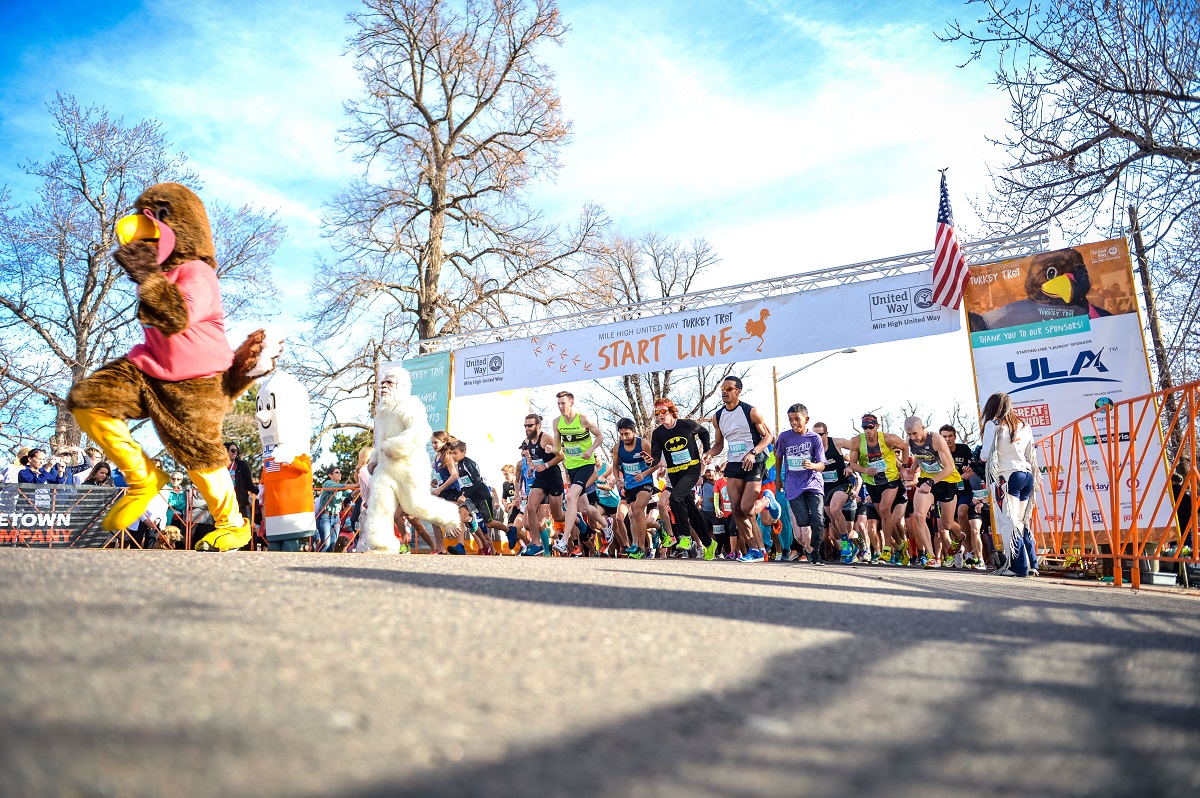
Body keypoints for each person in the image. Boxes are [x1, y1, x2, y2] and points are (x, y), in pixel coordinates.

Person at [706, 375, 774, 563]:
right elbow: (719, 444)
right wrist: (710, 453)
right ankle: (756, 551)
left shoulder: (751, 412)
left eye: (728, 389)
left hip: (754, 460)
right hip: (734, 463)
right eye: (722, 389)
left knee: (746, 507)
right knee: (736, 509)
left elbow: (768, 437)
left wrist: (753, 452)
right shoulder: (718, 417)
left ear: (738, 391)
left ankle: (767, 501)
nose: (724, 392)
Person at [649, 398, 717, 560]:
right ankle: (709, 543)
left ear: (671, 411)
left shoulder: (686, 424)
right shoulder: (658, 433)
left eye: (663, 411)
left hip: (691, 470)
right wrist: (650, 460)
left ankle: (685, 536)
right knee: (693, 513)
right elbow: (656, 456)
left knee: (675, 498)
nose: (660, 415)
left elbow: (704, 432)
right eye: (657, 412)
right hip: (674, 473)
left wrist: (707, 451)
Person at [980, 392, 1039, 577]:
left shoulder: (993, 424)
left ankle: (1017, 567)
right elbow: (1031, 454)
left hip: (1006, 477)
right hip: (1027, 475)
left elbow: (985, 455)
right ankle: (1031, 564)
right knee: (1022, 521)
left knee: (1008, 522)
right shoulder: (1024, 425)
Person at [847, 414, 909, 566]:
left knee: (884, 509)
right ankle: (901, 545)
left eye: (871, 427)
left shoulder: (888, 439)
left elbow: (905, 447)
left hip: (890, 479)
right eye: (865, 428)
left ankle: (887, 549)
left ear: (877, 426)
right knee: (884, 515)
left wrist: (905, 467)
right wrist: (865, 470)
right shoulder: (856, 441)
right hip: (872, 483)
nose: (868, 431)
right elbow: (853, 464)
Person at [902, 416, 964, 568]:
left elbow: (949, 468)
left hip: (946, 480)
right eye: (909, 435)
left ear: (923, 428)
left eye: (915, 434)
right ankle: (931, 557)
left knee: (947, 524)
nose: (913, 438)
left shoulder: (936, 439)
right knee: (918, 515)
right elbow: (919, 455)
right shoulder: (911, 441)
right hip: (926, 479)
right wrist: (911, 469)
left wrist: (931, 482)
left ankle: (959, 536)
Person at [550, 391, 604, 554]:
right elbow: (557, 448)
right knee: (586, 508)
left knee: (570, 497)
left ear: (571, 403)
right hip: (571, 467)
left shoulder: (583, 419)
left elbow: (600, 437)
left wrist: (591, 450)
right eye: (558, 403)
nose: (560, 406)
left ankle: (564, 541)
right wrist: (550, 449)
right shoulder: (556, 422)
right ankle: (607, 526)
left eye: (563, 403)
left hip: (586, 465)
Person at [777, 403, 828, 564]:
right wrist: (779, 478)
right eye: (791, 419)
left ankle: (816, 553)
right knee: (803, 520)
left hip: (813, 483)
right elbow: (779, 457)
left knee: (818, 519)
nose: (794, 423)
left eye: (797, 419)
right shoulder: (784, 437)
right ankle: (808, 548)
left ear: (806, 419)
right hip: (793, 484)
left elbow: (822, 464)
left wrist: (812, 466)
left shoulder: (814, 438)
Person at [520, 413, 564, 555]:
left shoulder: (546, 438)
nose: (527, 428)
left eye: (530, 425)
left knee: (558, 516)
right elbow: (535, 458)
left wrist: (546, 465)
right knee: (531, 507)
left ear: (538, 425)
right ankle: (536, 543)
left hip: (553, 477)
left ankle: (577, 519)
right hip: (540, 478)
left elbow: (561, 456)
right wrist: (532, 467)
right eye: (525, 425)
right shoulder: (527, 441)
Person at [315, 465, 346, 553]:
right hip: (325, 516)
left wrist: (360, 487)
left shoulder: (341, 488)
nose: (339, 474)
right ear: (330, 475)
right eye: (337, 472)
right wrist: (356, 484)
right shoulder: (328, 483)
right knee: (326, 543)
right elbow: (340, 487)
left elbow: (350, 494)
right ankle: (315, 560)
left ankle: (326, 564)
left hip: (336, 517)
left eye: (340, 472)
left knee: (332, 543)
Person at [226, 442, 255, 522]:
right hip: (226, 504)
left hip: (240, 503)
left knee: (243, 526)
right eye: (232, 450)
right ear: (226, 452)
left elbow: (249, 484)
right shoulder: (220, 468)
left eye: (236, 450)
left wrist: (260, 492)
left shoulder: (242, 465)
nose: (235, 452)